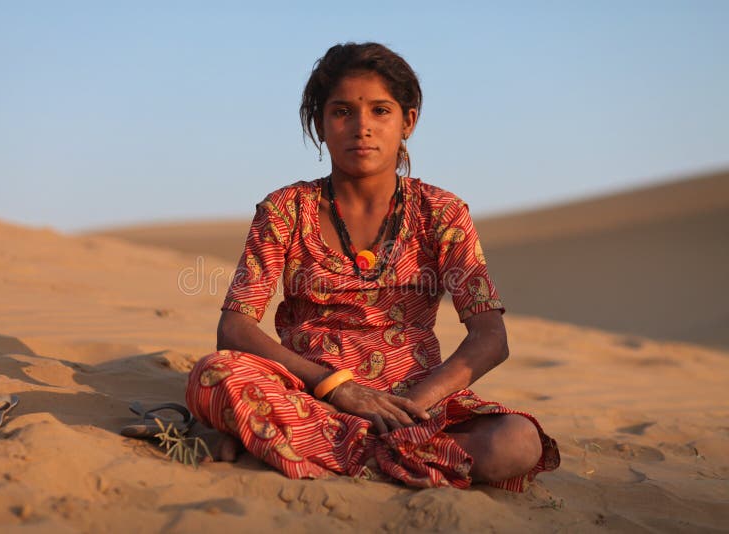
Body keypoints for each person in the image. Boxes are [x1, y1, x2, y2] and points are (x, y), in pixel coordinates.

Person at [186, 42, 559, 490]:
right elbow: (234, 329)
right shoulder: (285, 209)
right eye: (342, 111)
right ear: (321, 125)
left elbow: (490, 338)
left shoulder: (441, 212)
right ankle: (385, 459)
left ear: (408, 122)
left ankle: (283, 445)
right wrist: (338, 389)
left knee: (516, 443)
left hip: (416, 402)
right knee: (214, 375)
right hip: (310, 393)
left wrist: (411, 409)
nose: (361, 127)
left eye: (380, 111)